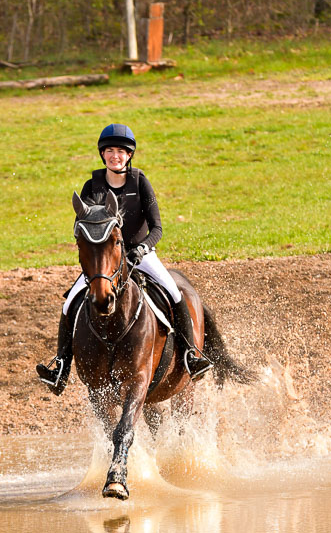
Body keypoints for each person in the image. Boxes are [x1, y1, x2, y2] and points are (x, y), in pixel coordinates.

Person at [36, 123, 213, 394]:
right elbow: (82, 224)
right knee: (70, 301)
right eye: (109, 151)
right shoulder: (91, 186)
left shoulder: (140, 181)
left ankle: (190, 355)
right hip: (105, 261)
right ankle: (61, 365)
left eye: (120, 151)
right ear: (103, 154)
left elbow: (157, 228)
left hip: (140, 256)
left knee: (175, 294)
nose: (115, 156)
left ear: (129, 155)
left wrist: (142, 249)